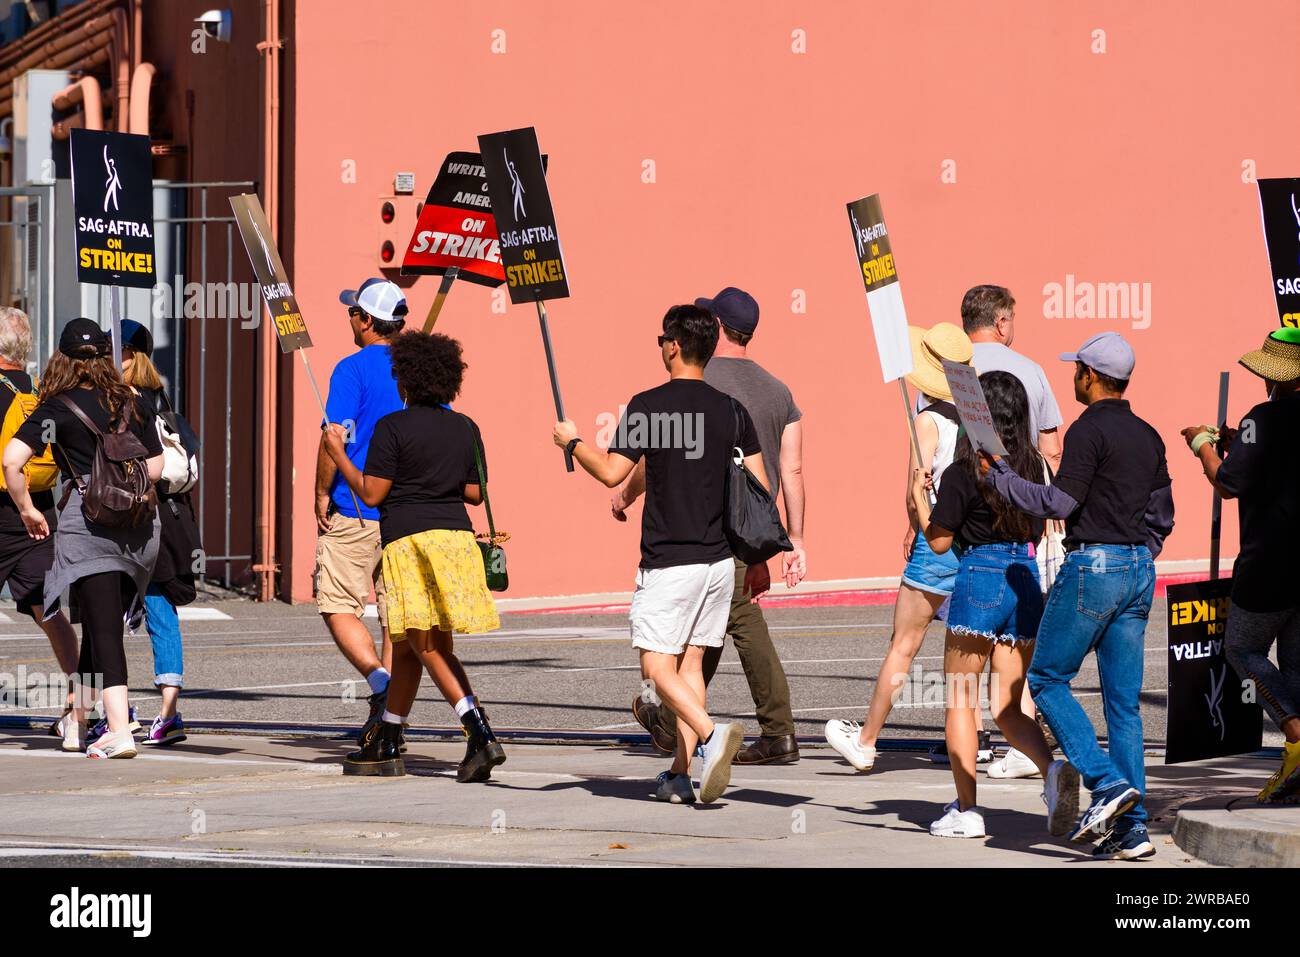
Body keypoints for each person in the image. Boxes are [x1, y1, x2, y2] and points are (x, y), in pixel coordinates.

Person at [553, 304, 763, 805]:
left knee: (655, 670)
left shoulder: (648, 407)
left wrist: (572, 441)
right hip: (718, 562)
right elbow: (761, 484)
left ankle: (712, 737)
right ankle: (679, 773)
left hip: (669, 560)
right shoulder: (732, 410)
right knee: (690, 669)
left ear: (673, 345)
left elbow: (609, 472)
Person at [983, 332, 1174, 860]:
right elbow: (1163, 511)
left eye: (1078, 369)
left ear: (1091, 375)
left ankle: (1105, 783)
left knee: (1045, 679)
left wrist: (1000, 478)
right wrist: (1141, 551)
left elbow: (1059, 502)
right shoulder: (1148, 433)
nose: (1074, 376)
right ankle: (1132, 831)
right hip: (1138, 569)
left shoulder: (1089, 429)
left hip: (1094, 564)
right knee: (1124, 708)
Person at [618, 286, 805, 765]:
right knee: (713, 632)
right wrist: (787, 539)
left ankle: (736, 729)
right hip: (749, 526)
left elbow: (662, 450)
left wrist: (626, 492)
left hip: (704, 527)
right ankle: (678, 729)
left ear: (716, 328)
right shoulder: (778, 389)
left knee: (715, 632)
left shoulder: (701, 380)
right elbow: (792, 469)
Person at [323, 330, 504, 781]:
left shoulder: (392, 428)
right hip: (457, 542)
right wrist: (436, 475)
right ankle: (387, 738)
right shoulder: (466, 427)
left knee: (428, 645)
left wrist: (338, 454)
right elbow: (475, 493)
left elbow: (371, 491)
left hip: (411, 542)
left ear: (406, 380)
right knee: (405, 645)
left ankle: (478, 731)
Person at [909, 371, 1079, 838]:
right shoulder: (1031, 467)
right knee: (1007, 705)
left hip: (980, 574)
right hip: (1024, 578)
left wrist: (919, 499)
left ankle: (967, 809)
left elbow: (939, 541)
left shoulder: (969, 469)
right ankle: (1051, 771)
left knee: (961, 702)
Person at [825, 322, 992, 770]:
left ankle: (867, 739)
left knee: (905, 643)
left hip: (935, 539)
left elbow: (911, 490)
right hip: (974, 543)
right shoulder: (979, 421)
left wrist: (913, 521)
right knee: (966, 650)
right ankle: (972, 741)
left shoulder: (928, 420)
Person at [1, 318, 164, 759]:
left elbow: (12, 461)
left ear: (64, 357)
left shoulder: (56, 406)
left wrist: (28, 509)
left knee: (103, 627)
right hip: (139, 527)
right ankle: (78, 724)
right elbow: (156, 465)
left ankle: (118, 730)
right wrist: (124, 489)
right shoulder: (131, 399)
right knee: (96, 624)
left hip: (89, 526)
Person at [1181, 327, 1300, 804]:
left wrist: (1202, 444)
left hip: (1268, 564)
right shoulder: (1258, 427)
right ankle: (1296, 770)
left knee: (1242, 650)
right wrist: (1236, 440)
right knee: (1295, 666)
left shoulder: (1262, 417)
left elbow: (1227, 482)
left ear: (1268, 375)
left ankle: (1295, 733)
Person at [960, 284, 1066, 778]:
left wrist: (919, 508)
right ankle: (1035, 759)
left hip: (969, 524)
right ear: (1002, 322)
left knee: (959, 691)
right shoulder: (1032, 371)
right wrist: (1048, 504)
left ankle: (966, 794)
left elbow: (929, 442)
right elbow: (1050, 446)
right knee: (1014, 670)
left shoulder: (949, 372)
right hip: (1024, 524)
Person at [316, 279, 407, 740]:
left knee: (336, 604)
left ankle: (379, 681)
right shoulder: (418, 369)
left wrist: (319, 493)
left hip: (354, 506)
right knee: (395, 614)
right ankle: (390, 714)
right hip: (404, 512)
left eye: (353, 311)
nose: (349, 317)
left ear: (367, 320)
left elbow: (335, 436)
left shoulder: (351, 369)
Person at [118, 319, 201, 746]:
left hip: (134, 520)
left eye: (115, 351)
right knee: (161, 614)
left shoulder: (126, 404)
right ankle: (168, 712)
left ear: (131, 356)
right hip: (172, 521)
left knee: (104, 613)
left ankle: (110, 711)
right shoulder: (162, 400)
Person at [0, 308, 81, 733]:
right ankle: (77, 705)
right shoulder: (42, 391)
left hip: (3, 507)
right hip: (40, 509)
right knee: (47, 608)